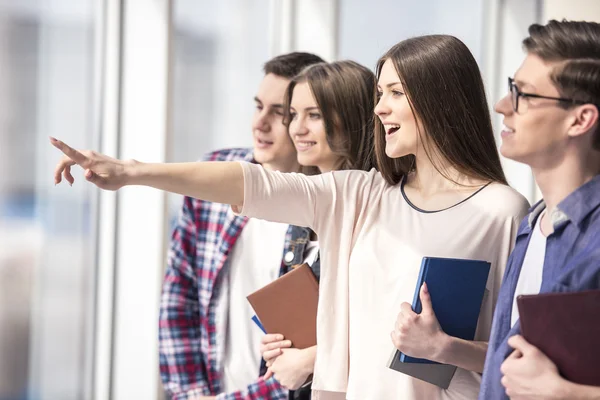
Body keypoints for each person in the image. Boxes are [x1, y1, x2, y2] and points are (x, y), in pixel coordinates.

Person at [50, 35, 529, 399]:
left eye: (395, 93)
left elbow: (523, 361)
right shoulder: (362, 195)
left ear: (438, 99)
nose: (379, 108)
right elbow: (253, 183)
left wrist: (446, 349)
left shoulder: (502, 213)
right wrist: (130, 171)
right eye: (378, 93)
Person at [157, 51, 324, 400]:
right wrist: (190, 394)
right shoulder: (216, 174)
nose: (259, 123)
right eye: (257, 106)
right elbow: (180, 292)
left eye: (279, 113)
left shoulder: (326, 211)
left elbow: (305, 356)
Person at [479, 19, 600, 400]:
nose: (502, 106)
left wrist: (568, 394)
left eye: (524, 95)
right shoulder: (532, 226)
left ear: (580, 119)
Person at [258, 60, 376, 396]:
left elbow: (383, 326)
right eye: (293, 115)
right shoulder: (303, 216)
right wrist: (281, 347)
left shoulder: (377, 210)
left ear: (353, 119)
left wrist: (310, 359)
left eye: (314, 115)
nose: (297, 129)